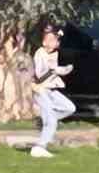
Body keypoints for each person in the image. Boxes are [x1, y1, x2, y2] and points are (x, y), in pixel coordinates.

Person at [29, 25, 75, 159]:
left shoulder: (54, 53)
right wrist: (56, 71)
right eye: (51, 39)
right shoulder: (40, 54)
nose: (54, 41)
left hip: (51, 89)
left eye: (55, 39)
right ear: (44, 42)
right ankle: (39, 147)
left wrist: (63, 70)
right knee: (51, 121)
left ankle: (45, 120)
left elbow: (53, 70)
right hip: (41, 89)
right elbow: (40, 75)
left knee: (70, 108)